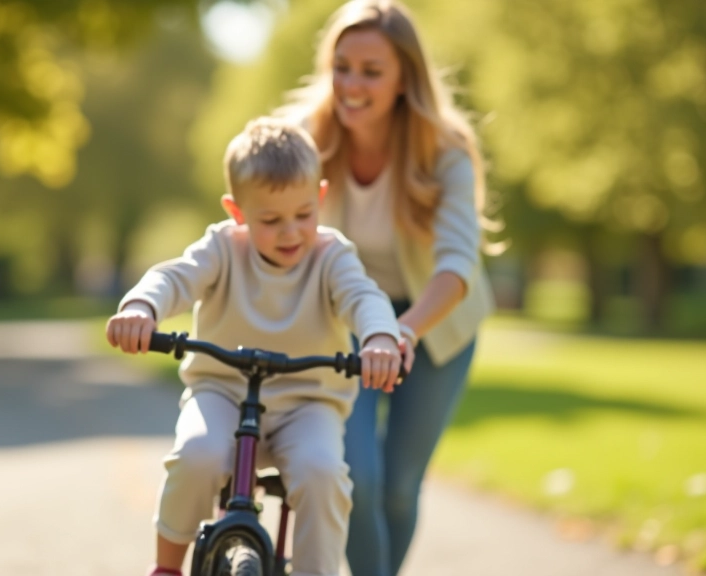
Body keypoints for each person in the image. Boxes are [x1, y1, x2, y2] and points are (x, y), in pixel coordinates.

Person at [105, 117, 406, 576]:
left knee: (324, 474)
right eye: (270, 220)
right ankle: (167, 566)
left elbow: (364, 297)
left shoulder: (331, 256)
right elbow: (174, 277)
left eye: (304, 215)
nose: (290, 232)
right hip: (222, 392)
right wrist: (142, 308)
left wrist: (381, 339)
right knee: (195, 455)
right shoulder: (222, 249)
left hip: (308, 403)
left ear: (320, 198)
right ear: (237, 211)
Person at [276, 1, 497, 574]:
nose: (351, 84)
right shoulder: (302, 138)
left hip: (436, 322)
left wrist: (402, 330)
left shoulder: (444, 148)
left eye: (371, 71)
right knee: (357, 477)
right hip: (348, 319)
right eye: (341, 66)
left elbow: (456, 264)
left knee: (399, 485)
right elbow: (264, 225)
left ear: (405, 79)